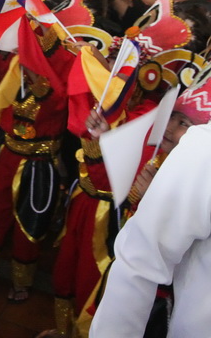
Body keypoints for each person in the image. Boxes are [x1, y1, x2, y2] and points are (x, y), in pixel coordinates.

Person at [89, 121, 211, 337]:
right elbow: (140, 261)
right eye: (174, 119)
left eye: (183, 122)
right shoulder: (204, 149)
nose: (171, 128)